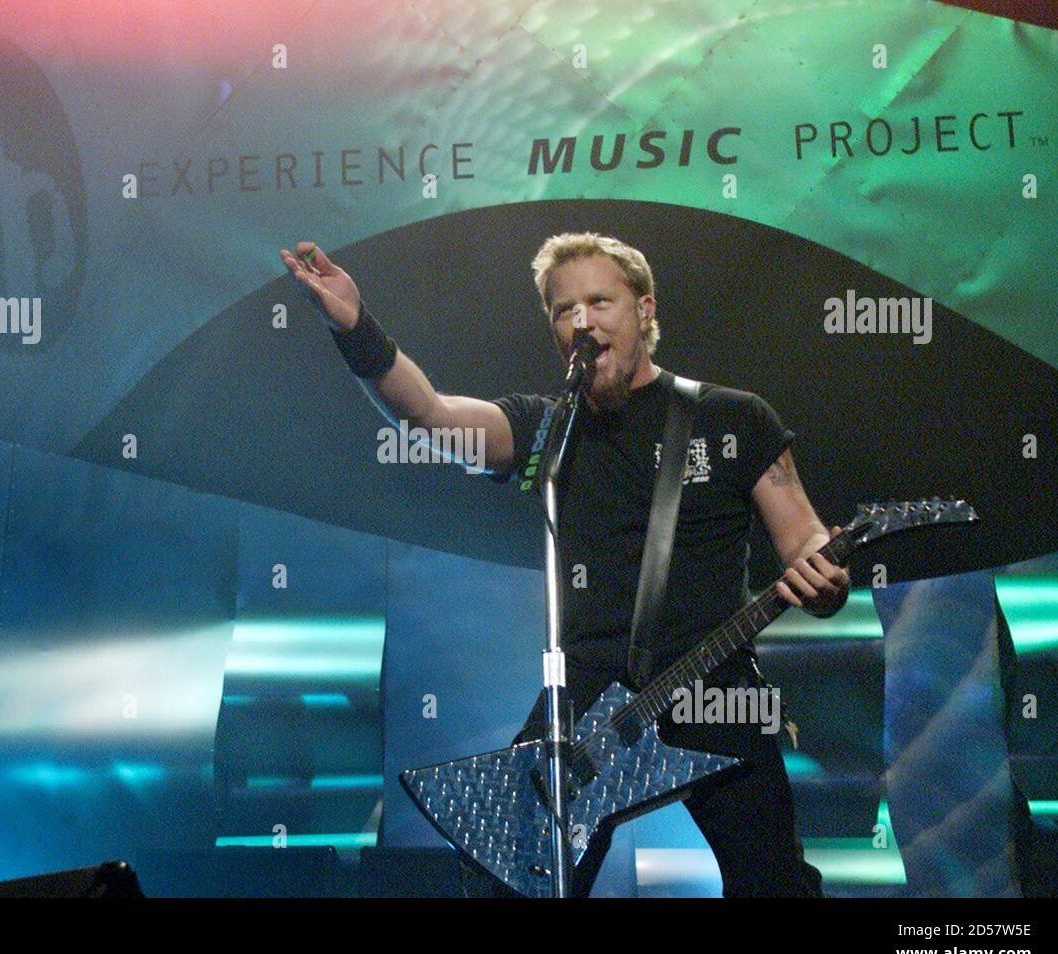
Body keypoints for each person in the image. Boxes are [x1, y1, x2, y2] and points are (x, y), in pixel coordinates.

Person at [280, 231, 849, 897]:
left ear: (644, 309)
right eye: (562, 309)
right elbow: (428, 415)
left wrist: (826, 578)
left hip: (712, 683)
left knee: (773, 885)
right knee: (517, 885)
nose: (582, 321)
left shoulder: (733, 418)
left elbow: (806, 538)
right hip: (585, 699)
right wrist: (354, 326)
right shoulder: (547, 431)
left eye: (600, 301)